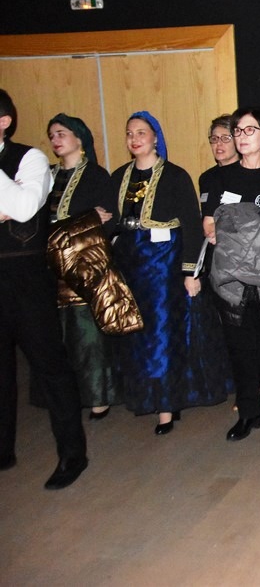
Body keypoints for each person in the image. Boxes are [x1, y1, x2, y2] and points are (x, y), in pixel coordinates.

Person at [110, 111, 220, 434]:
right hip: (129, 265)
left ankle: (166, 405)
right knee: (134, 334)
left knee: (161, 333)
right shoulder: (118, 176)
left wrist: (190, 272)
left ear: (155, 137)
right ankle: (145, 395)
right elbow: (112, 221)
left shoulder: (175, 176)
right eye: (129, 133)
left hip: (163, 267)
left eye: (141, 132)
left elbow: (191, 226)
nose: (134, 139)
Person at [0, 89, 88, 489]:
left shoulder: (30, 159)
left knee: (50, 367)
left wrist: (11, 202)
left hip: (25, 278)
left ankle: (73, 453)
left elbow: (21, 208)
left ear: (4, 122)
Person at [202, 106, 260, 441]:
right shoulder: (218, 178)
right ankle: (248, 412)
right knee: (239, 348)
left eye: (249, 130)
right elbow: (210, 226)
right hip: (231, 279)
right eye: (237, 131)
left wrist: (237, 230)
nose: (241, 137)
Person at [46, 113, 121, 420]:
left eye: (61, 133)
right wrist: (84, 219)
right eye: (52, 135)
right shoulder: (47, 176)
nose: (55, 139)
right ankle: (68, 396)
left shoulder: (96, 176)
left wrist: (77, 225)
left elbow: (108, 223)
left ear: (79, 138)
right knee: (57, 337)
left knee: (88, 337)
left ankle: (98, 397)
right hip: (50, 267)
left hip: (83, 267)